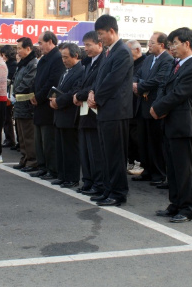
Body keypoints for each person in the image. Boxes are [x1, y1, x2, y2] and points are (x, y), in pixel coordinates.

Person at [151, 27, 192, 222]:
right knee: (172, 169)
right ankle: (175, 204)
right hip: (170, 123)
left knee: (184, 170)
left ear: (187, 44)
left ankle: (188, 208)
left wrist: (158, 108)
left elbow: (179, 94)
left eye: (174, 43)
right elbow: (165, 87)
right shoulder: (177, 64)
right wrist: (158, 106)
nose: (171, 47)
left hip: (184, 125)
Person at [87, 15, 133, 206]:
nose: (100, 38)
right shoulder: (109, 52)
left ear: (111, 32)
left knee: (115, 155)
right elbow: (100, 79)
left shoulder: (122, 52)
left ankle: (118, 192)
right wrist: (92, 92)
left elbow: (113, 81)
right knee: (106, 153)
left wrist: (97, 97)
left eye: (101, 34)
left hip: (116, 111)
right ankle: (108, 189)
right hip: (106, 109)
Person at [132, 32, 173, 187]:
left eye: (151, 42)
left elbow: (159, 80)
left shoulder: (167, 60)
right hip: (142, 104)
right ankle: (147, 170)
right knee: (143, 141)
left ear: (161, 45)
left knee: (156, 142)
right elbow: (136, 75)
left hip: (155, 105)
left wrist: (140, 86)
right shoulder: (148, 59)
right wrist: (136, 84)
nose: (149, 45)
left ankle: (158, 173)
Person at [29, 31, 66, 180]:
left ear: (50, 41)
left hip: (48, 104)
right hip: (38, 104)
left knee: (49, 139)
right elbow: (37, 79)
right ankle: (42, 166)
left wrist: (39, 96)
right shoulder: (44, 59)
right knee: (39, 139)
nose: (39, 46)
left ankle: (52, 169)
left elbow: (53, 81)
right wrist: (33, 93)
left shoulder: (57, 58)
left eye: (41, 42)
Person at [73, 31, 106, 196]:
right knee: (85, 149)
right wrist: (77, 94)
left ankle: (98, 183)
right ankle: (88, 180)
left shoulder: (103, 62)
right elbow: (81, 82)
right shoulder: (88, 63)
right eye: (84, 45)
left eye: (88, 45)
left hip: (94, 111)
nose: (85, 48)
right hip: (83, 110)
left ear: (99, 44)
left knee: (95, 151)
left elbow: (96, 85)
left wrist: (80, 95)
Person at [49, 42, 84, 188]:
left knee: (70, 149)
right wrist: (52, 99)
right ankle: (62, 175)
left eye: (66, 57)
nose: (63, 60)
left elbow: (74, 92)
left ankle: (72, 177)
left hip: (70, 114)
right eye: (62, 57)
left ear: (75, 55)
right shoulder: (66, 71)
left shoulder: (80, 70)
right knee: (61, 148)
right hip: (60, 114)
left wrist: (59, 101)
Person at [12, 37, 39, 171]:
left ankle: (32, 161)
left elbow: (27, 82)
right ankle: (24, 158)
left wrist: (16, 91)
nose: (17, 51)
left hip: (27, 104)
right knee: (21, 135)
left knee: (29, 135)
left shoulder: (33, 63)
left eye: (19, 48)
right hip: (19, 103)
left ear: (28, 48)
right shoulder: (23, 63)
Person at [127, 39, 146, 175]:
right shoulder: (130, 63)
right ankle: (132, 161)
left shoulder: (145, 62)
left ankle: (139, 162)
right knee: (130, 136)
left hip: (139, 105)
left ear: (137, 50)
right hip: (128, 105)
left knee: (137, 136)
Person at [0, 45, 17, 148]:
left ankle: (10, 139)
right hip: (7, 93)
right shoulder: (9, 64)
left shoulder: (12, 65)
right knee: (6, 117)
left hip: (9, 94)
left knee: (7, 117)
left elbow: (9, 79)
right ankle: (9, 139)